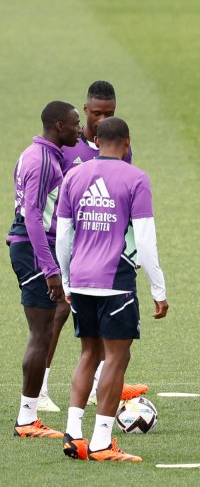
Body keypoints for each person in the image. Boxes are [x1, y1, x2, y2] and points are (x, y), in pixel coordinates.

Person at [55, 117, 168, 462]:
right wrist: (159, 288)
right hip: (116, 282)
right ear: (127, 141)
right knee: (117, 358)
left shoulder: (73, 176)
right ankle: (102, 442)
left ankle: (74, 435)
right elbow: (145, 243)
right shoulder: (136, 178)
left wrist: (66, 280)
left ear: (96, 140)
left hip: (81, 279)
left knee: (88, 354)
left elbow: (63, 236)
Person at [59, 81, 147, 410]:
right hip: (69, 245)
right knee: (57, 320)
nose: (101, 118)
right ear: (85, 110)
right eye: (96, 113)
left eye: (108, 113)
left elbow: (122, 205)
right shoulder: (67, 146)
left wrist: (131, 252)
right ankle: (38, 393)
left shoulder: (120, 150)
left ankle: (103, 384)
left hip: (103, 251)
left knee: (97, 339)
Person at [9, 101, 79, 439]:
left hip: (32, 249)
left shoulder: (38, 155)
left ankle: (29, 415)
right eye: (75, 124)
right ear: (58, 125)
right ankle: (26, 420)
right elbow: (33, 216)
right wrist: (49, 267)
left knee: (50, 325)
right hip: (36, 252)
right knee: (41, 335)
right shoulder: (41, 161)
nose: (79, 130)